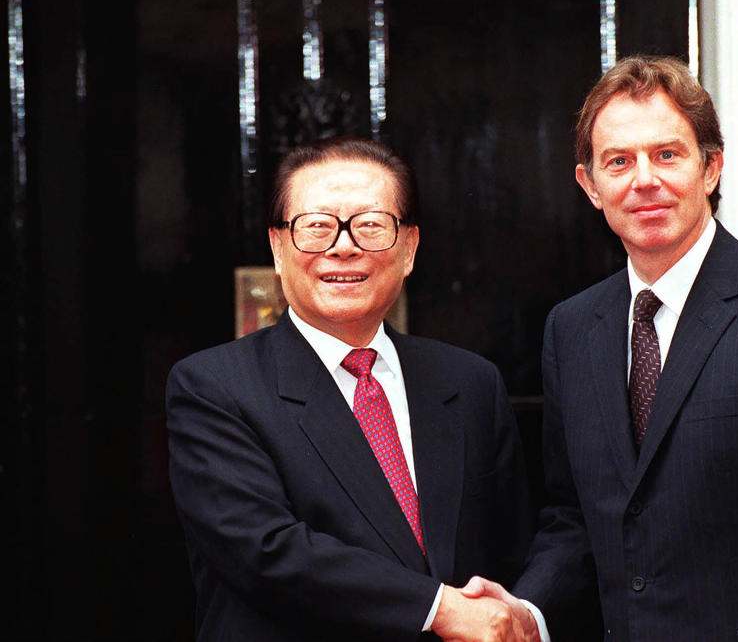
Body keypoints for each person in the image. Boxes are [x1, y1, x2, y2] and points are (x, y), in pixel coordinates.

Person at [466, 55, 738, 641]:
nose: (644, 179)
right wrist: (529, 613)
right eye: (619, 161)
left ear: (711, 168)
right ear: (590, 186)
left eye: (667, 154)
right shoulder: (572, 330)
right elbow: (577, 520)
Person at [166, 137, 536, 641]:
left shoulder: (470, 383)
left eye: (370, 225)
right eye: (316, 226)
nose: (343, 246)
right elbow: (268, 551)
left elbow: (511, 553)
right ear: (277, 247)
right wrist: (439, 609)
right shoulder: (214, 388)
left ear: (409, 248)